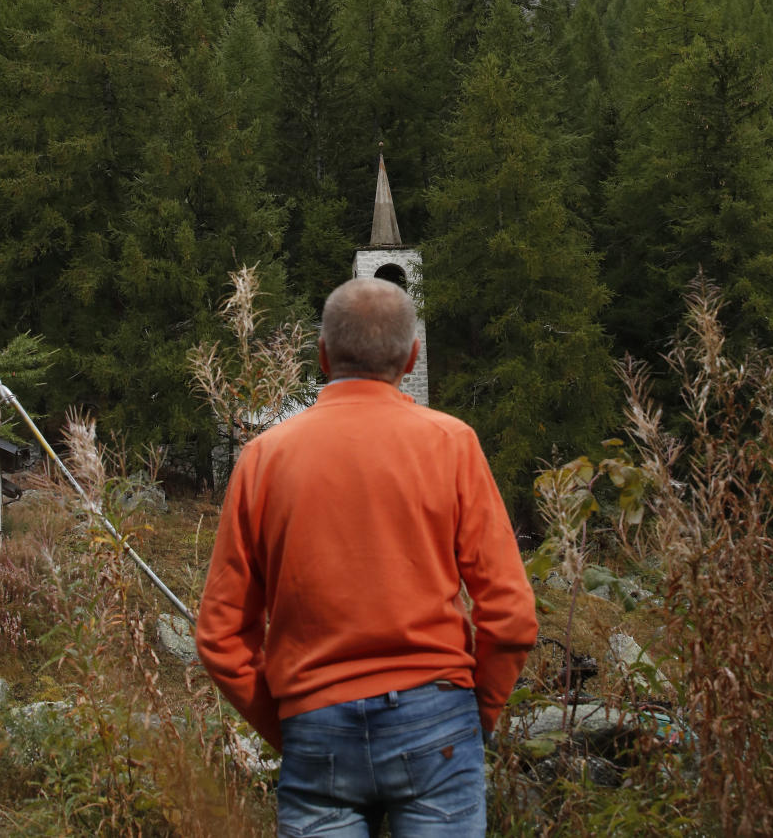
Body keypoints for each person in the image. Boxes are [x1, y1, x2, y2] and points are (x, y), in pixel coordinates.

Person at [196, 275, 537, 837]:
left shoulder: (264, 458)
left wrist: (287, 724)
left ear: (323, 355)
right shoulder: (451, 443)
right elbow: (511, 614)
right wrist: (479, 715)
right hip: (438, 721)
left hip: (315, 723)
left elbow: (219, 634)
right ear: (412, 356)